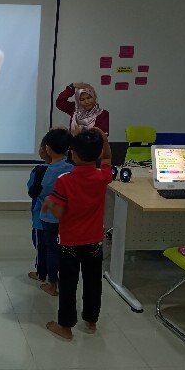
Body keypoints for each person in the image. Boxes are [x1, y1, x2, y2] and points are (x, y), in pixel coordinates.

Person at [41, 128, 113, 340]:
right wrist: (104, 139)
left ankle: (65, 326)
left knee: (68, 284)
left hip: (70, 242)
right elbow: (107, 158)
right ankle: (91, 319)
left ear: (73, 153)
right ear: (97, 153)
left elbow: (59, 213)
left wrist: (49, 202)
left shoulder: (64, 180)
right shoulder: (103, 176)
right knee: (93, 282)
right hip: (94, 242)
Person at [37, 128, 74, 296]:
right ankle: (67, 283)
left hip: (50, 218)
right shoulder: (73, 169)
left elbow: (40, 193)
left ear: (48, 149)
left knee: (52, 250)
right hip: (68, 218)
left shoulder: (45, 171)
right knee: (67, 251)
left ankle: (53, 285)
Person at [27, 139, 50, 282]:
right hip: (61, 218)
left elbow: (32, 190)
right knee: (54, 246)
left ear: (43, 150)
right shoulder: (69, 167)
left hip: (41, 219)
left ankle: (41, 273)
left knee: (40, 245)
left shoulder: (39, 171)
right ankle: (54, 273)